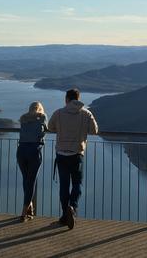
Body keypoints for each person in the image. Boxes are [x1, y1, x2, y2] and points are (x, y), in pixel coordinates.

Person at [48, 88, 98, 229]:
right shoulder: (85, 113)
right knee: (77, 184)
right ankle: (73, 207)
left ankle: (65, 215)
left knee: (64, 185)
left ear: (67, 99)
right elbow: (94, 130)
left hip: (62, 154)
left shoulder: (58, 113)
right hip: (76, 154)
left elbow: (50, 127)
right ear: (78, 98)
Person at [17, 101, 47, 222]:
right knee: (31, 181)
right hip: (34, 150)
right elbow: (44, 130)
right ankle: (24, 213)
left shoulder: (23, 118)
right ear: (40, 109)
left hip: (21, 150)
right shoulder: (42, 117)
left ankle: (30, 207)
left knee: (26, 180)